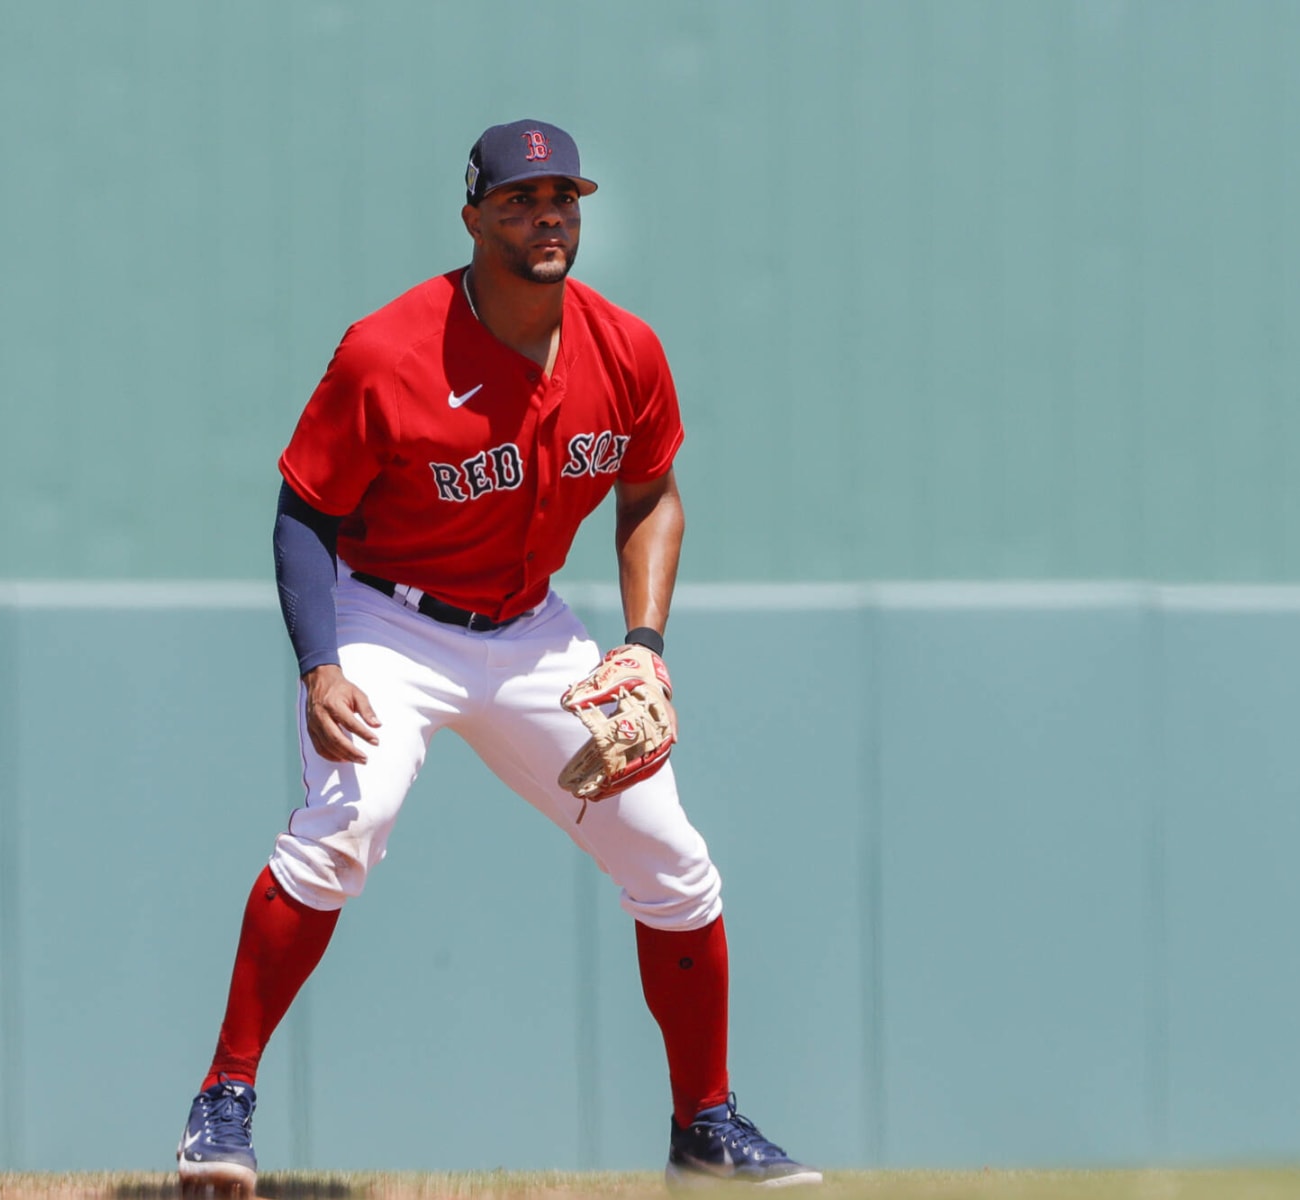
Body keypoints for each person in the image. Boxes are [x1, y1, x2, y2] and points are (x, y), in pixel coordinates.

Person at [176, 119, 820, 1193]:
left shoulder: (625, 349)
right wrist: (321, 664)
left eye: (562, 196)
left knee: (672, 860)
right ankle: (221, 1104)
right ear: (473, 217)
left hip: (531, 631)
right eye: (519, 200)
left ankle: (703, 1126)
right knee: (349, 822)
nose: (546, 215)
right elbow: (305, 509)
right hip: (385, 621)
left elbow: (650, 491)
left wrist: (645, 646)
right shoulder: (389, 349)